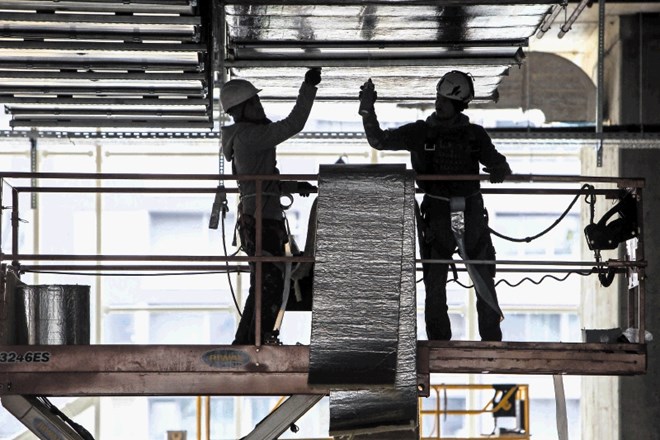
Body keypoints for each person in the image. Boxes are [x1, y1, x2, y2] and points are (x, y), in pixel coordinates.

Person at [358, 70, 511, 341]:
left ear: (459, 105)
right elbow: (378, 141)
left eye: (445, 100)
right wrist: (367, 109)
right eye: (438, 98)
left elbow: (499, 164)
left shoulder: (475, 136)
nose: (439, 103)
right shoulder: (421, 132)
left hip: (466, 215)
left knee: (482, 278)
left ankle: (490, 338)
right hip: (443, 216)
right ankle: (440, 339)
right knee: (436, 283)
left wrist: (499, 170)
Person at [221, 68, 321, 345]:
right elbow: (293, 124)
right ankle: (259, 340)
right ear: (241, 110)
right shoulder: (251, 137)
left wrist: (295, 186)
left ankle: (250, 340)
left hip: (259, 219)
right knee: (271, 285)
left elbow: (262, 182)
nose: (260, 106)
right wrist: (308, 87)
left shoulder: (246, 137)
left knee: (264, 284)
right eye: (254, 103)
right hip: (263, 222)